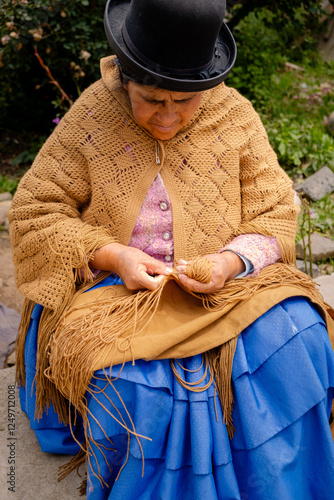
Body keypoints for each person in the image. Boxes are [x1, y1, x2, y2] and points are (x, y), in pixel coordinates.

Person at [9, 0, 334, 498]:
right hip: (118, 290)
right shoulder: (93, 113)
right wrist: (112, 254)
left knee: (300, 340)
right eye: (152, 99)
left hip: (225, 284)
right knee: (138, 390)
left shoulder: (236, 115)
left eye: (185, 101)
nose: (168, 116)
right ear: (124, 80)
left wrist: (228, 261)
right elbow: (36, 210)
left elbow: (274, 213)